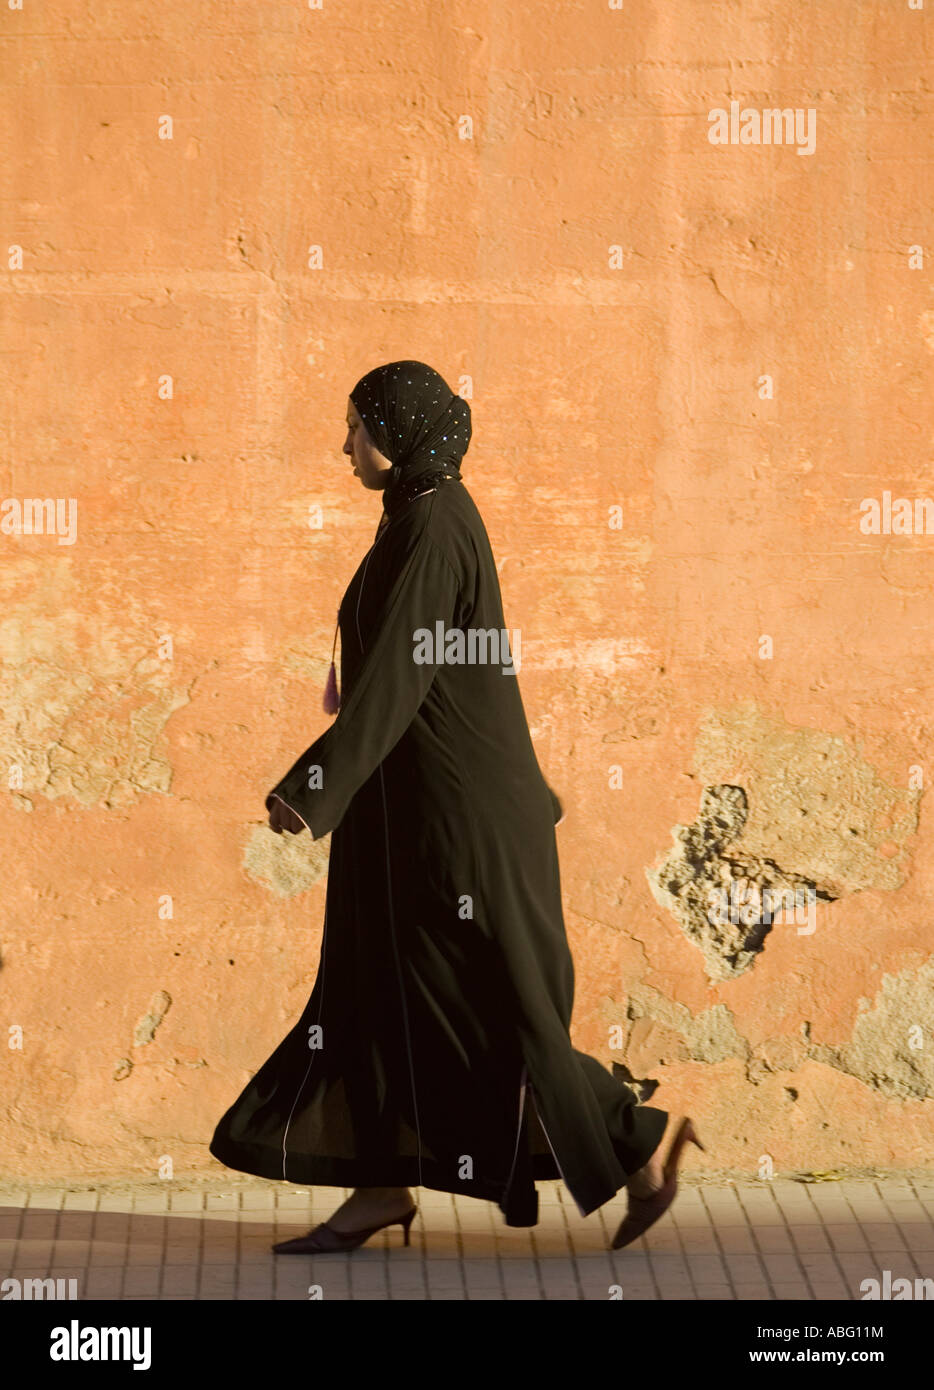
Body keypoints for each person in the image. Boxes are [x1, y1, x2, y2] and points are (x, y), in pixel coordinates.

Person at [208, 360, 702, 1254]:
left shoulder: (433, 525)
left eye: (358, 427)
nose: (344, 445)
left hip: (458, 829)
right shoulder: (415, 518)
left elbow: (399, 675)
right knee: (377, 992)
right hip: (412, 816)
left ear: (396, 437)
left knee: (499, 1007)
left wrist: (314, 784)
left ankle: (638, 1143)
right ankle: (379, 1187)